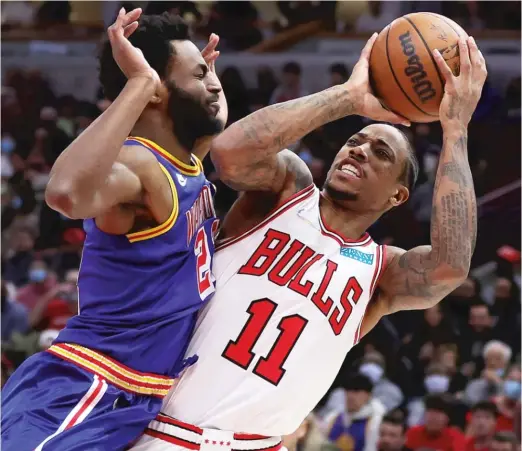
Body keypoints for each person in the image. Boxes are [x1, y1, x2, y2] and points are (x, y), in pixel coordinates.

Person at [133, 34, 487, 451]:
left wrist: (455, 127)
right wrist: (347, 97)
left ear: (397, 196)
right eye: (355, 141)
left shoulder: (382, 273)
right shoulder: (288, 189)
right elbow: (228, 153)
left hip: (258, 444)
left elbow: (450, 265)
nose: (359, 152)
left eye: (380, 153)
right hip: (160, 430)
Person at [1, 9, 228, 451]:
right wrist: (140, 84)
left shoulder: (189, 165)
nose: (215, 84)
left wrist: (199, 80)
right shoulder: (140, 166)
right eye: (200, 74)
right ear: (159, 92)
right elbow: (64, 194)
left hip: (134, 395)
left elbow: (215, 126)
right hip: (87, 384)